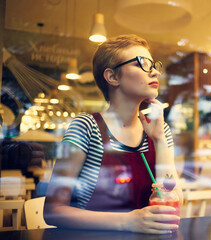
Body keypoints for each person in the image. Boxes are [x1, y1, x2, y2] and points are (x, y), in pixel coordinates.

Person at [44, 34, 183, 234]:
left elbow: (175, 204)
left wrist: (160, 141)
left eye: (153, 65)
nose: (154, 72)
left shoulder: (160, 129)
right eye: (142, 63)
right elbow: (52, 211)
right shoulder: (86, 127)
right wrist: (127, 221)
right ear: (112, 77)